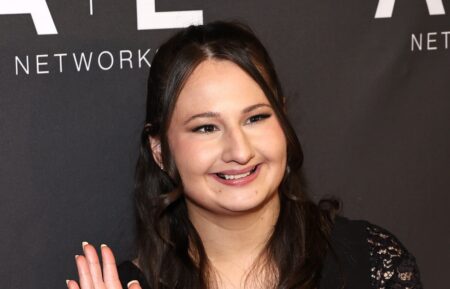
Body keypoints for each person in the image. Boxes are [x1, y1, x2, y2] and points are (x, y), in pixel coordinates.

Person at [66, 21, 422, 289]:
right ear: (160, 150)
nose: (239, 150)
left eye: (255, 118)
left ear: (282, 120)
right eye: (206, 127)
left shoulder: (368, 262)